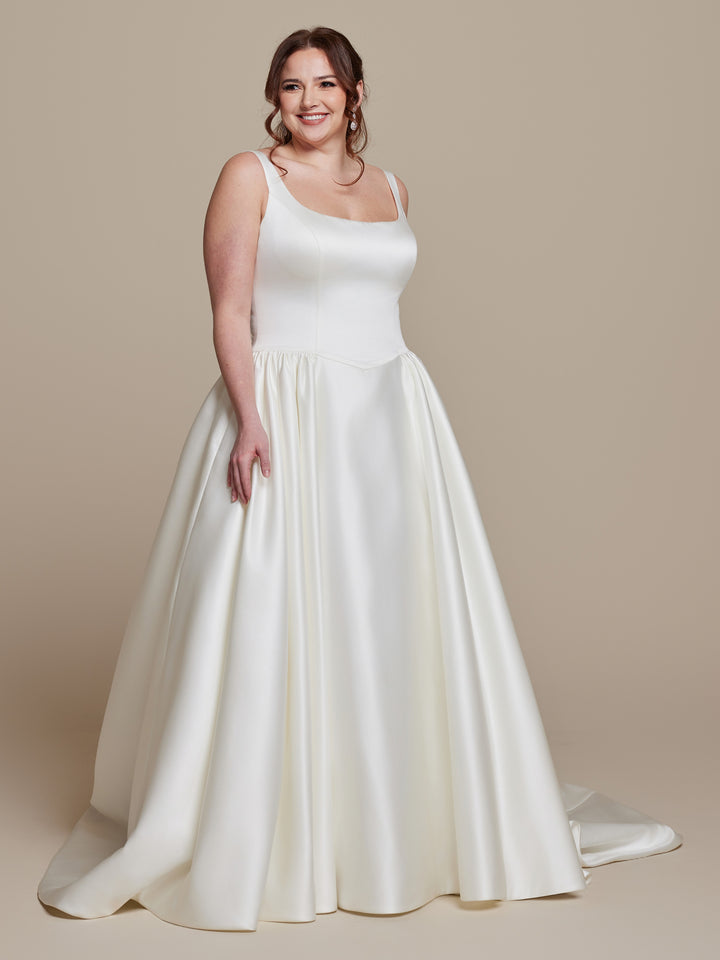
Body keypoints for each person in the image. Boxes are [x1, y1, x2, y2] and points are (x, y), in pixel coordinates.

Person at [37, 26, 683, 933]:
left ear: (357, 92)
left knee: (391, 619)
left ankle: (391, 818)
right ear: (276, 96)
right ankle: (277, 827)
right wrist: (252, 417)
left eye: (327, 83)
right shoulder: (247, 177)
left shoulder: (393, 188)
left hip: (392, 418)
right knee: (278, 618)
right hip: (286, 408)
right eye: (294, 85)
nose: (310, 100)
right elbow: (229, 310)